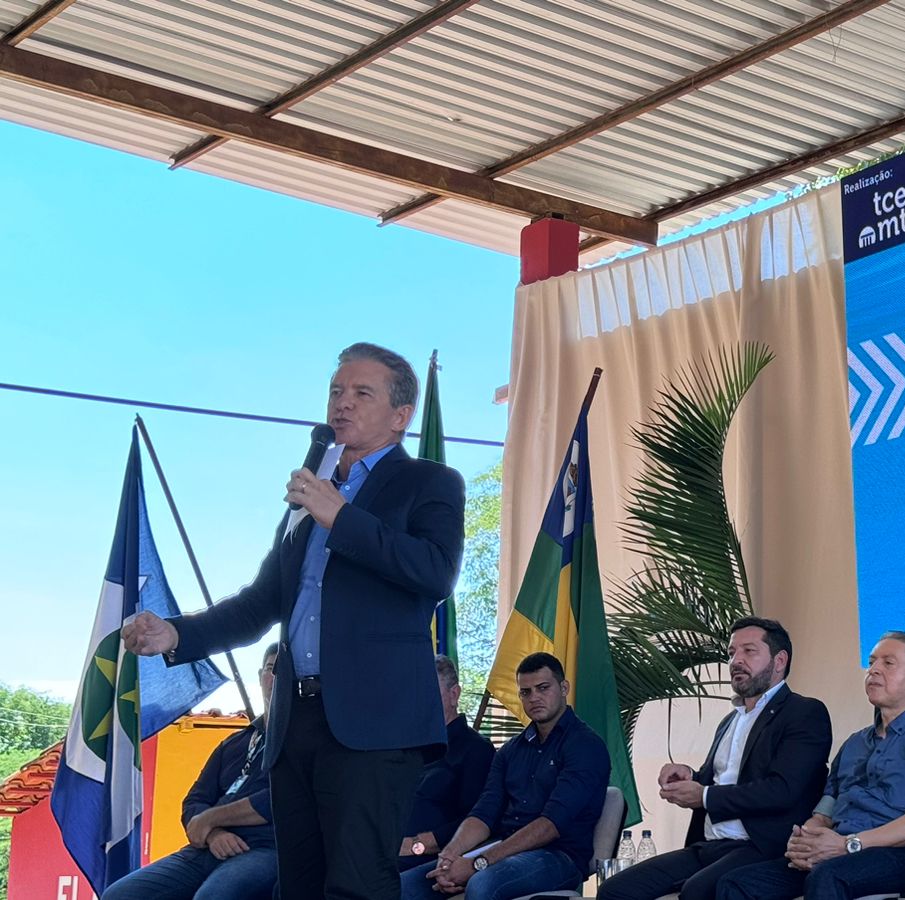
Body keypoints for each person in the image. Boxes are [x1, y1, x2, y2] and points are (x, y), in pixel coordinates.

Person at [120, 342, 467, 900]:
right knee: (297, 886)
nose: (342, 404)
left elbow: (435, 572)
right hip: (295, 720)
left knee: (356, 885)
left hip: (374, 724)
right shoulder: (311, 493)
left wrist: (342, 516)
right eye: (336, 391)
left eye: (362, 393)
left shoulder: (428, 481)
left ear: (401, 416)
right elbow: (263, 601)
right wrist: (178, 632)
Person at [717, 630, 905, 900]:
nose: (873, 670)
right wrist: (805, 842)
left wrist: (850, 844)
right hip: (840, 849)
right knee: (738, 883)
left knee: (828, 876)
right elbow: (824, 815)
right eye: (872, 662)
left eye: (888, 663)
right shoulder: (855, 743)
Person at [598, 617, 832, 900]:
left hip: (762, 847)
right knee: (615, 890)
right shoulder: (729, 722)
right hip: (709, 844)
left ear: (779, 661)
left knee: (698, 892)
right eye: (732, 652)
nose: (736, 660)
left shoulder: (803, 712)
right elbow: (723, 781)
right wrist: (690, 777)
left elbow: (782, 790)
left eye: (749, 651)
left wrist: (704, 796)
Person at [404, 652, 610, 899]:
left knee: (482, 885)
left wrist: (479, 863)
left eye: (543, 688)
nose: (534, 697)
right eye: (526, 692)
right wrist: (449, 855)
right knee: (405, 886)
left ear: (564, 688)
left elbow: (551, 824)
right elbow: (483, 814)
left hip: (557, 855)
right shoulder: (510, 751)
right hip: (502, 849)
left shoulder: (585, 746)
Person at [102, 643, 282, 900]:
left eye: (283, 671)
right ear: (260, 676)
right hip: (207, 847)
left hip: (266, 849)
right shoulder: (234, 743)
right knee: (119, 895)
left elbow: (276, 800)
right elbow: (195, 800)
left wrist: (208, 819)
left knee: (212, 897)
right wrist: (213, 833)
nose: (275, 677)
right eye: (270, 669)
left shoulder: (303, 741)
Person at [400, 654, 496, 872]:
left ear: (454, 694)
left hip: (433, 860)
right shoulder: (406, 749)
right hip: (385, 852)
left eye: (429, 693)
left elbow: (478, 820)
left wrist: (416, 845)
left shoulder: (476, 750)